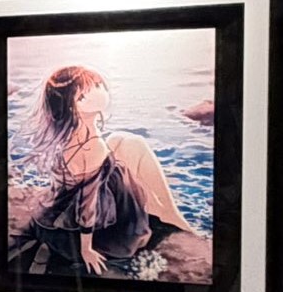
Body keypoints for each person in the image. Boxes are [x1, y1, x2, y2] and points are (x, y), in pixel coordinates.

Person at [15, 65, 198, 275]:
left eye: (98, 85)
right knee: (133, 148)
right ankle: (169, 215)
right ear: (72, 107)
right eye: (84, 95)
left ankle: (167, 212)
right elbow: (88, 205)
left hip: (75, 216)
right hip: (105, 233)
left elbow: (65, 187)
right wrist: (86, 249)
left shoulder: (74, 137)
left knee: (122, 140)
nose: (99, 92)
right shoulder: (91, 146)